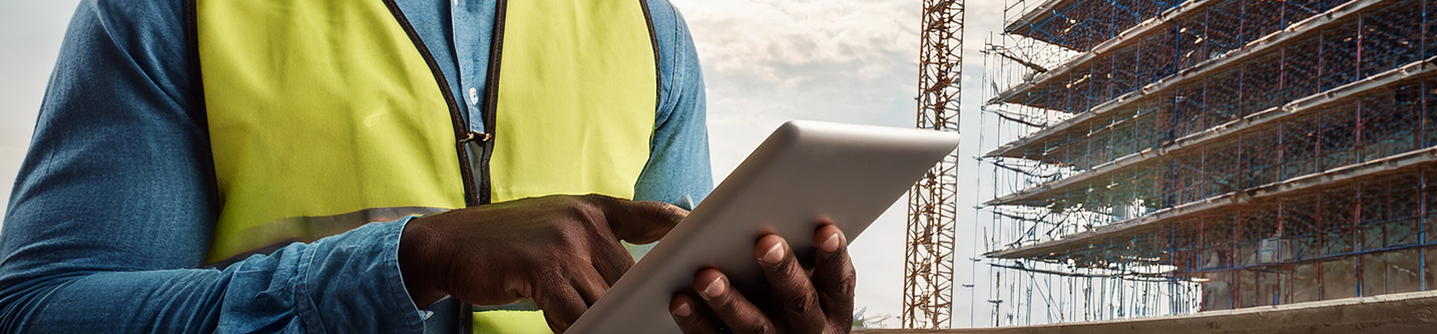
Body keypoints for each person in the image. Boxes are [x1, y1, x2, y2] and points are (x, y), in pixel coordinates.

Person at [0, 0, 856, 333]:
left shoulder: (648, 30)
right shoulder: (171, 11)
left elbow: (663, 319)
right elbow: (40, 311)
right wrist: (415, 258)